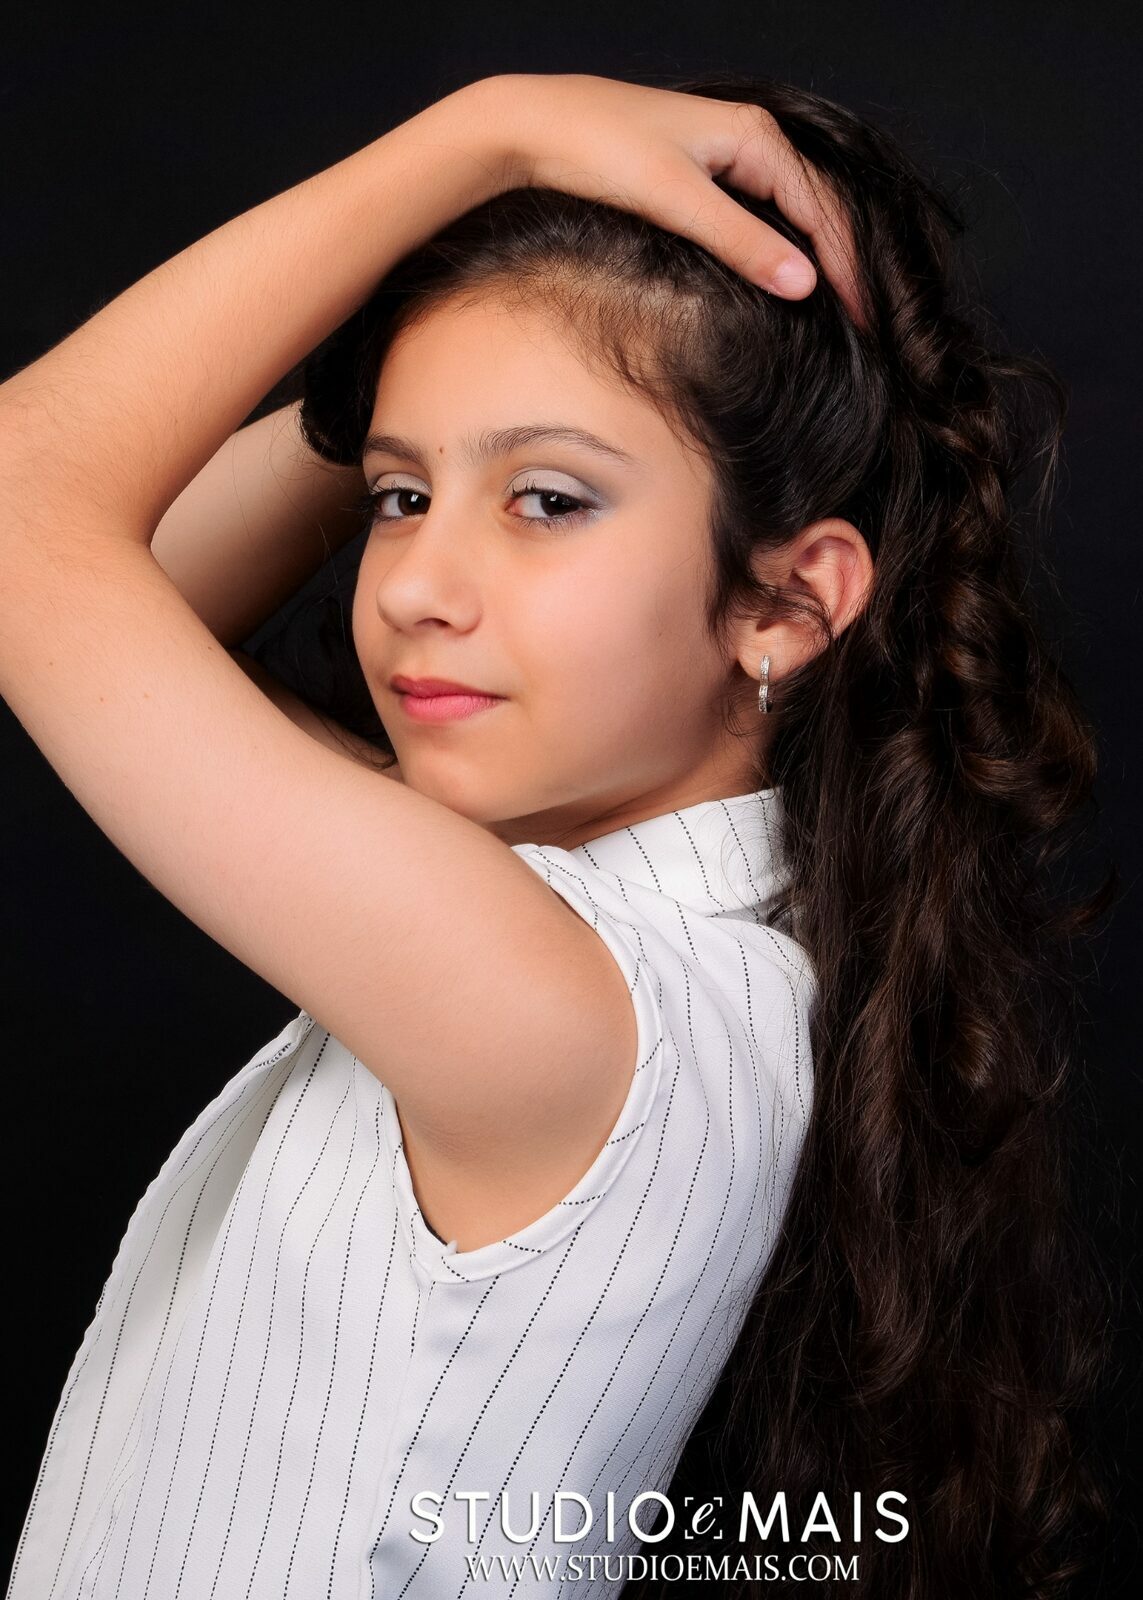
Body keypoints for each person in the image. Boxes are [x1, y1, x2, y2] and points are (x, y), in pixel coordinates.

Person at [0, 71, 1112, 1600]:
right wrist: (470, 354)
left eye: (547, 500)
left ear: (786, 606)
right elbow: (125, 602)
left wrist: (485, 139)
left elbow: (27, 522)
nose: (412, 587)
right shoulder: (621, 949)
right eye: (397, 496)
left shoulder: (583, 1013)